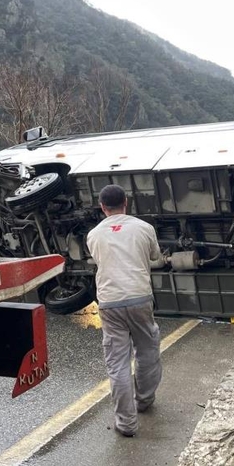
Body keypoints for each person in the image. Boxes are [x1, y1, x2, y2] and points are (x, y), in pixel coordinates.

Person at [86, 184, 164, 438]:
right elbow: (156, 257)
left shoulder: (94, 235)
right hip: (140, 297)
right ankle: (144, 400)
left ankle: (127, 424)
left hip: (109, 302)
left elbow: (100, 261)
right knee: (147, 349)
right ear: (126, 203)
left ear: (102, 206)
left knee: (117, 362)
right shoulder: (144, 228)